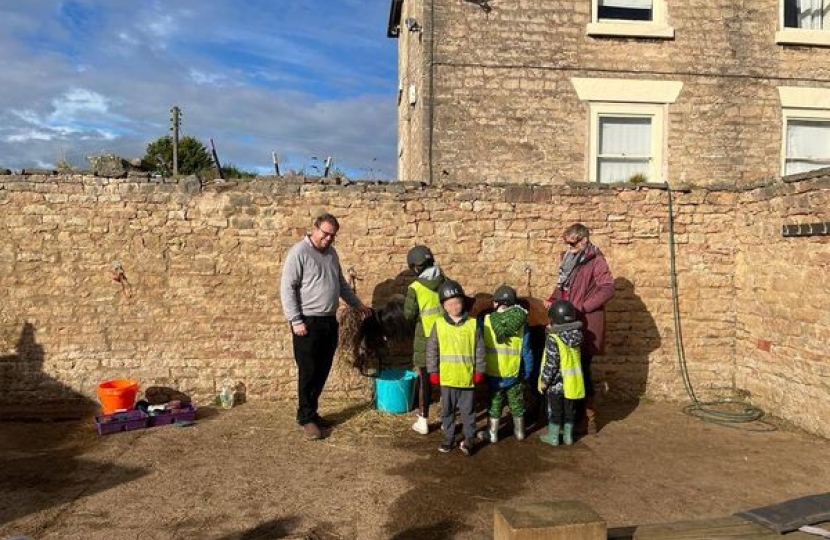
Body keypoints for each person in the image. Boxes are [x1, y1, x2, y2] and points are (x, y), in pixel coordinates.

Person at [280, 213, 371, 440]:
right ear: (315, 228)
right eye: (325, 233)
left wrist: (358, 305)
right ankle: (306, 418)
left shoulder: (331, 254)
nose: (329, 239)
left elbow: (340, 284)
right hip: (307, 323)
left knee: (322, 370)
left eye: (333, 235)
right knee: (308, 371)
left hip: (329, 321)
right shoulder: (298, 253)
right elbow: (287, 289)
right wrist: (295, 320)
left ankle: (313, 412)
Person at [544, 223, 614, 434]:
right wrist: (552, 298)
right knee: (564, 370)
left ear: (584, 240)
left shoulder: (596, 260)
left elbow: (608, 288)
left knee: (581, 369)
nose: (569, 247)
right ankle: (568, 417)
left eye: (572, 244)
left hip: (584, 323)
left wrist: (583, 307)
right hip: (566, 319)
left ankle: (588, 418)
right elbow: (563, 285)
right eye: (567, 243)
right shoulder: (568, 258)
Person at [426, 280, 485, 455]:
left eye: (457, 302)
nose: (454, 306)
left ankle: (469, 439)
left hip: (467, 378)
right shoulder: (439, 325)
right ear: (444, 306)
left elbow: (480, 350)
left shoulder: (473, 324)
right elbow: (432, 350)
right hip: (447, 378)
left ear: (463, 303)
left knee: (468, 412)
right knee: (447, 411)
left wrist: (480, 370)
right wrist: (433, 371)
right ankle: (449, 438)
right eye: (450, 304)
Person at [478, 285, 534, 443]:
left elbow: (479, 345)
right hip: (514, 373)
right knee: (517, 403)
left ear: (496, 304)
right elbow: (527, 350)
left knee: (494, 403)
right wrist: (528, 370)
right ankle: (520, 432)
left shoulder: (486, 321)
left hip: (493, 372)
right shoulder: (522, 324)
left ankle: (493, 434)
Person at [404, 245, 448, 435]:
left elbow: (408, 314)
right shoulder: (446, 281)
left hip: (426, 339)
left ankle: (423, 420)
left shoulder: (415, 288)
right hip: (447, 336)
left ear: (415, 267)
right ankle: (447, 420)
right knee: (447, 379)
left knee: (425, 381)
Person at [538, 300, 585, 446]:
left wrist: (545, 381)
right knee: (570, 410)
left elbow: (551, 364)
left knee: (555, 411)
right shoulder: (576, 336)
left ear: (553, 320)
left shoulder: (554, 338)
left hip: (556, 384)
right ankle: (568, 437)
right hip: (572, 383)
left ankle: (553, 437)